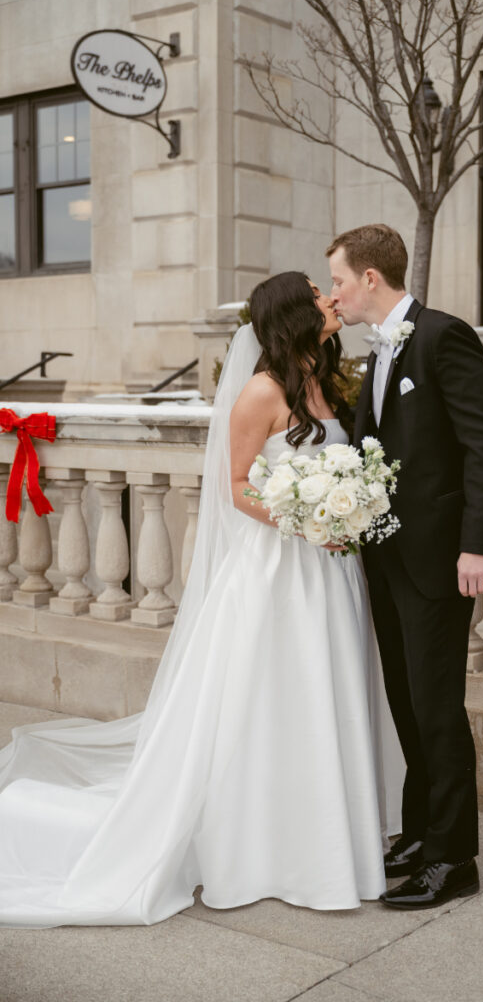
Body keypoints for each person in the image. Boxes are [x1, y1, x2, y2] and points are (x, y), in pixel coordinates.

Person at [0, 271, 402, 928]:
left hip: (329, 573)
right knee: (274, 696)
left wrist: (347, 513)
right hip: (279, 570)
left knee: (323, 691)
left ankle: (320, 834)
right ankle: (259, 849)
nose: (330, 299)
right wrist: (305, 520)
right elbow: (235, 487)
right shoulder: (261, 393)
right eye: (316, 294)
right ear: (291, 315)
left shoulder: (320, 383)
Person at [327, 224, 483, 910]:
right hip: (385, 556)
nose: (334, 296)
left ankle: (452, 857)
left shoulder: (442, 335)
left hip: (440, 558)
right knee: (408, 705)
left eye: (339, 282)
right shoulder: (376, 352)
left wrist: (476, 545)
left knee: (437, 708)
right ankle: (418, 832)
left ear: (370, 279)